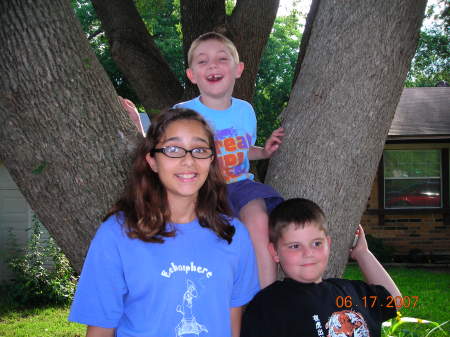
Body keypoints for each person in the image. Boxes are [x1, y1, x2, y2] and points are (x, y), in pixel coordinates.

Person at [69, 108, 259, 337]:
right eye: (173, 149)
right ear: (152, 161)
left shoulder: (233, 234)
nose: (188, 160)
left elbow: (232, 325)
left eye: (199, 149)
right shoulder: (117, 234)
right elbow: (100, 331)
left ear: (211, 160)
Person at [176, 32, 285, 288]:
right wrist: (137, 124)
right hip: (202, 189)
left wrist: (264, 152)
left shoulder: (245, 111)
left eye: (221, 59)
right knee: (214, 238)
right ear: (192, 75)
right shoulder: (183, 112)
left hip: (240, 185)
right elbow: (165, 150)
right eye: (202, 61)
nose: (212, 65)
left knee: (258, 219)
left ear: (238, 69)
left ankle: (267, 297)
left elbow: (242, 150)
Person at [240, 198, 401, 337]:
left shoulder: (349, 290)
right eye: (295, 246)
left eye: (316, 243)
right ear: (275, 252)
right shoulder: (268, 304)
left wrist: (363, 254)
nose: (308, 253)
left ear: (328, 244)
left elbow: (394, 300)